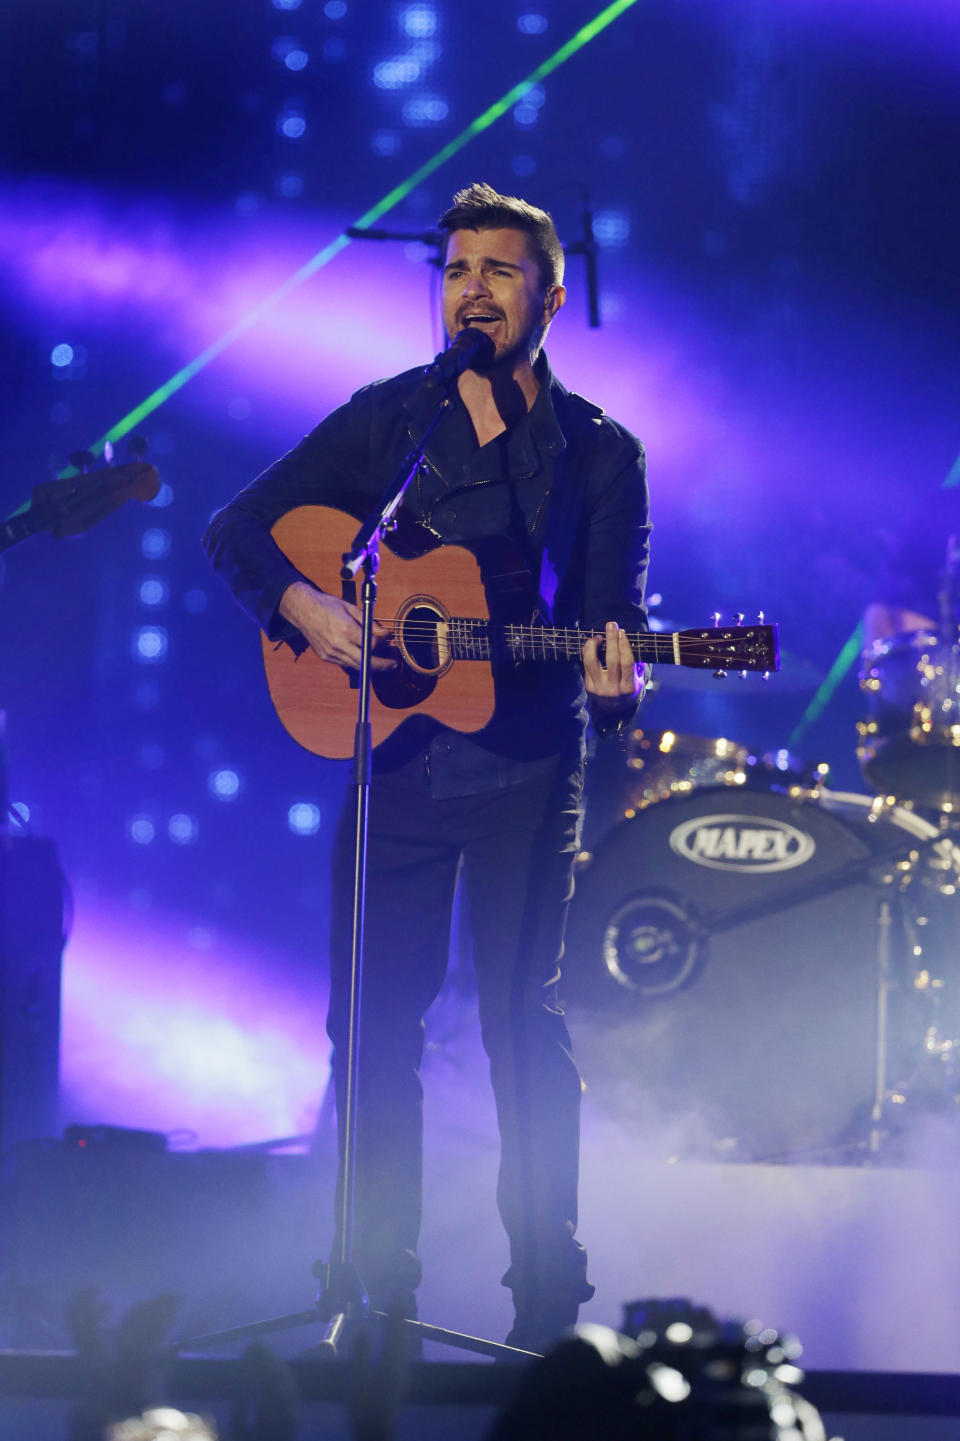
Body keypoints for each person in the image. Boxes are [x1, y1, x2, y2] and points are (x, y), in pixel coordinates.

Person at [203, 183, 651, 1353]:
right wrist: (303, 603)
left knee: (521, 1027)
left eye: (500, 274)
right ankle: (373, 1288)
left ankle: (549, 1302)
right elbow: (236, 527)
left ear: (551, 299)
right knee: (370, 1033)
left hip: (524, 773)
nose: (474, 292)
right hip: (392, 766)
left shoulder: (601, 455)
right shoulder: (391, 422)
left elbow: (613, 621)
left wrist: (620, 682)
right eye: (458, 271)